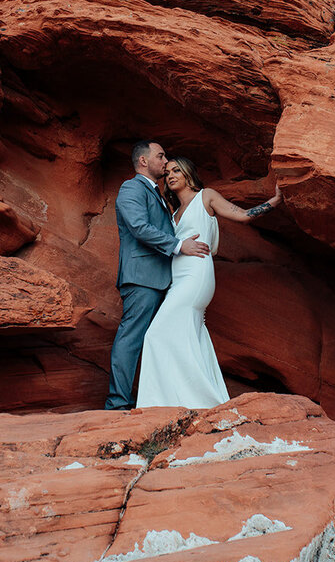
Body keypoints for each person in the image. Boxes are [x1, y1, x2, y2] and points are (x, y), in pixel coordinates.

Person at [136, 156, 283, 409]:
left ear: (187, 173)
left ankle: (170, 401)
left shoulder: (207, 197)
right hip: (177, 278)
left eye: (176, 170)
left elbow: (244, 215)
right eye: (167, 172)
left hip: (196, 276)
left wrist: (275, 200)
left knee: (155, 335)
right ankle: (184, 402)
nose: (171, 175)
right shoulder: (173, 211)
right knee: (189, 335)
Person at [106, 141, 210, 410]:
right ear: (143, 161)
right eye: (160, 156)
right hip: (142, 278)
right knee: (131, 339)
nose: (165, 162)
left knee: (160, 339)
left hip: (162, 281)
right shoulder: (132, 188)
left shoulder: (158, 194)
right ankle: (118, 405)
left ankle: (162, 400)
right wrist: (179, 245)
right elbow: (139, 227)